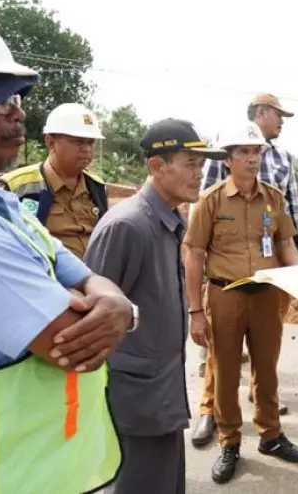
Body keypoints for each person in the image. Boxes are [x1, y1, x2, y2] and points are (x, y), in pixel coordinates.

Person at [0, 0, 134, 493]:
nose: (17, 113)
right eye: (0, 101)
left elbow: (72, 267)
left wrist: (112, 299)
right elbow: (74, 345)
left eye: (19, 100)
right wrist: (118, 307)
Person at [82, 119, 227, 494]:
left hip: (159, 388)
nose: (200, 174)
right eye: (190, 164)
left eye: (201, 165)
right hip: (134, 396)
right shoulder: (128, 226)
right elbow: (89, 316)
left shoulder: (167, 219)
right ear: (157, 167)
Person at [183, 121, 298, 485]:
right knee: (224, 371)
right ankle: (229, 442)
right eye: (244, 152)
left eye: (257, 151)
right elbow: (193, 256)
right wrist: (195, 311)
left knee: (267, 368)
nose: (253, 158)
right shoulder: (209, 202)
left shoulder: (274, 198)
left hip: (268, 294)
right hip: (225, 295)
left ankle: (270, 435)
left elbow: (286, 245)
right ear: (228, 159)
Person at [0, 102, 108, 258]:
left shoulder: (96, 187)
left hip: (96, 278)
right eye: (78, 141)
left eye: (90, 142)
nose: (86, 149)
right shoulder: (16, 187)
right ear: (50, 142)